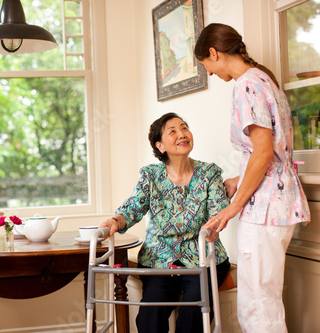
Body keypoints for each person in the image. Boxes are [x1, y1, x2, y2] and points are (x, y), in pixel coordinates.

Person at [194, 23, 310, 333]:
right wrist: (237, 179)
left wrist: (230, 210)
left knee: (257, 304)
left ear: (214, 53)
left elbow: (262, 152)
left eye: (205, 65)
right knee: (263, 298)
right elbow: (268, 154)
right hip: (278, 202)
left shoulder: (246, 84)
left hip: (265, 209)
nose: (210, 73)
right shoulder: (264, 80)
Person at [99, 112, 231, 333]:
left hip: (203, 259)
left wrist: (214, 226)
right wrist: (115, 221)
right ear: (160, 146)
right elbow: (134, 206)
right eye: (173, 131)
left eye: (184, 128)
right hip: (158, 260)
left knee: (193, 314)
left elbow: (218, 210)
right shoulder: (151, 175)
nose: (182, 134)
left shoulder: (209, 173)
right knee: (150, 316)